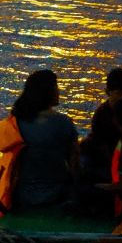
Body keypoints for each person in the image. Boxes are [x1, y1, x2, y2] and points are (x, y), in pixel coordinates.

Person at [7, 69, 80, 211]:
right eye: (56, 87)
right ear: (49, 92)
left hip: (22, 196)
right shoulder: (63, 123)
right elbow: (75, 166)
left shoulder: (16, 121)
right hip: (55, 196)